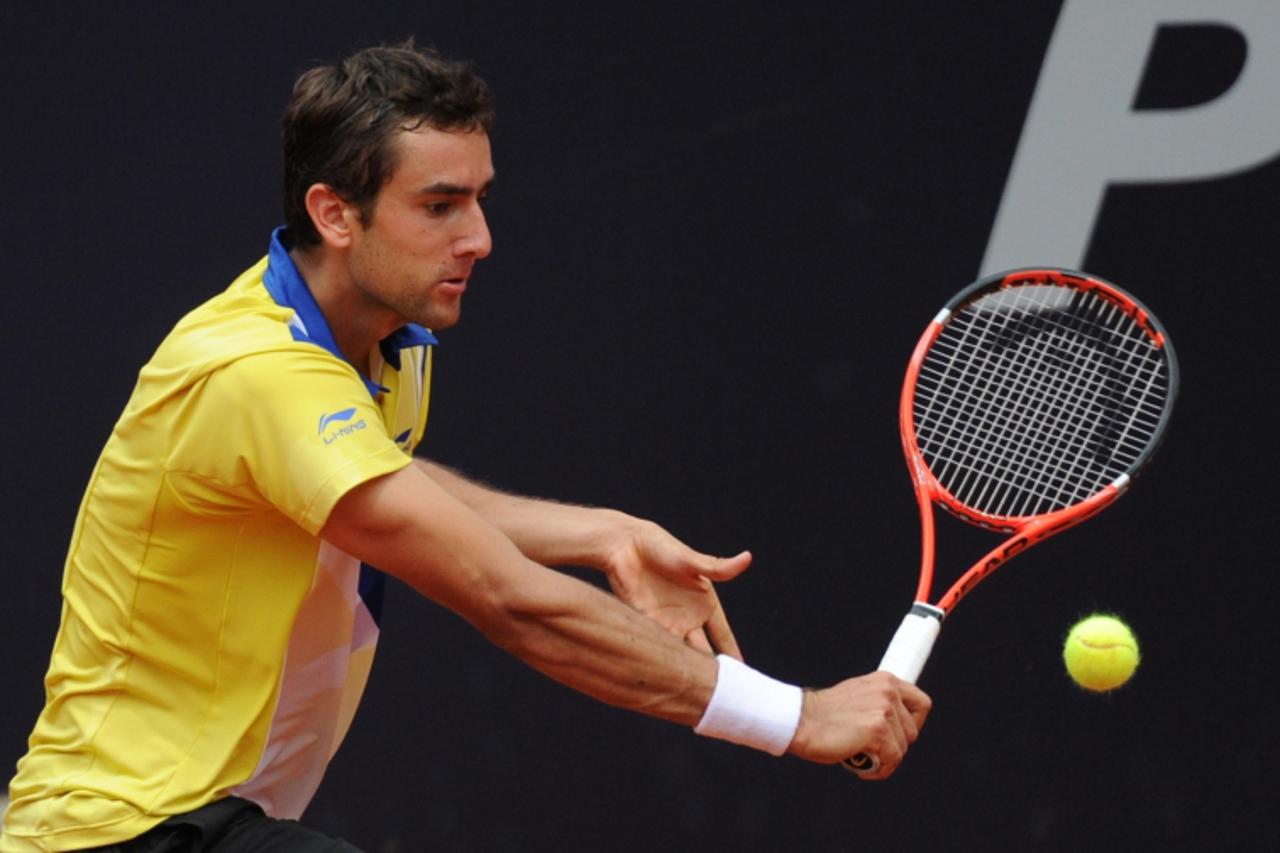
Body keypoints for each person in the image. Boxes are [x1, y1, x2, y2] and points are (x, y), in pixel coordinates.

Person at [0, 40, 930, 852]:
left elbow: (379, 479)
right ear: (334, 213)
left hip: (221, 816)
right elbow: (511, 602)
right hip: (127, 828)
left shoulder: (383, 344)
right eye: (439, 204)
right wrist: (794, 715)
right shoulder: (259, 372)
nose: (479, 237)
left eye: (480, 199)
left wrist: (601, 531)